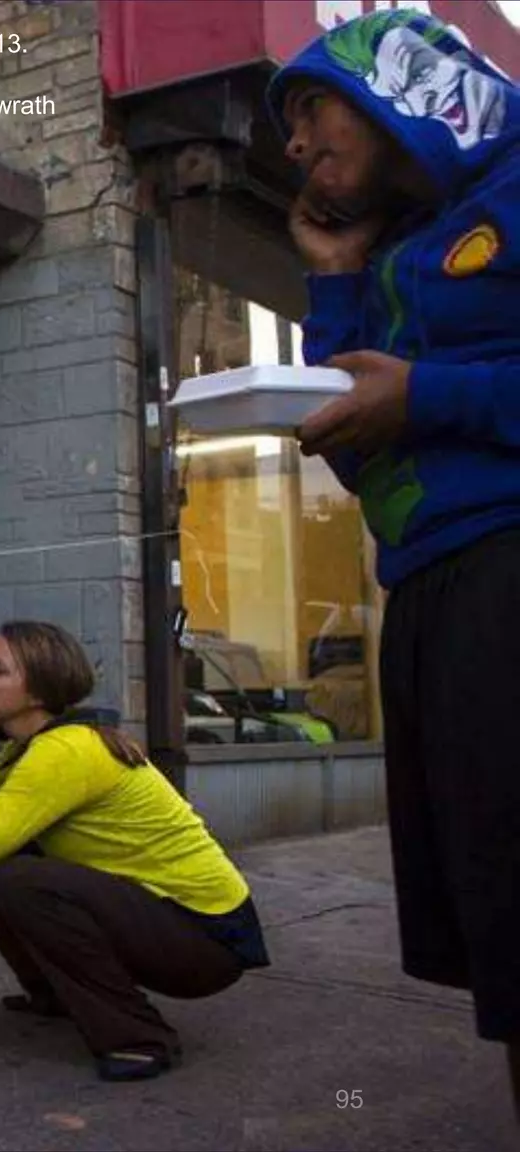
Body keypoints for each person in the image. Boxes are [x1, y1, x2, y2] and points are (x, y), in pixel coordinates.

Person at [269, 8, 520, 1117]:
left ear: (395, 92)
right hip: (429, 591)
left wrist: (422, 393)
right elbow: (358, 435)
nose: (290, 143)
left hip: (508, 571)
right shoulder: (402, 254)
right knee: (498, 921)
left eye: (308, 105)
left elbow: (407, 401)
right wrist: (331, 281)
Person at [0, 621, 269, 1082]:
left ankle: (140, 1038)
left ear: (38, 691)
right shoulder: (35, 748)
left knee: (19, 879)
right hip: (169, 919)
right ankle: (52, 994)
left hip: (208, 938)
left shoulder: (66, 750)